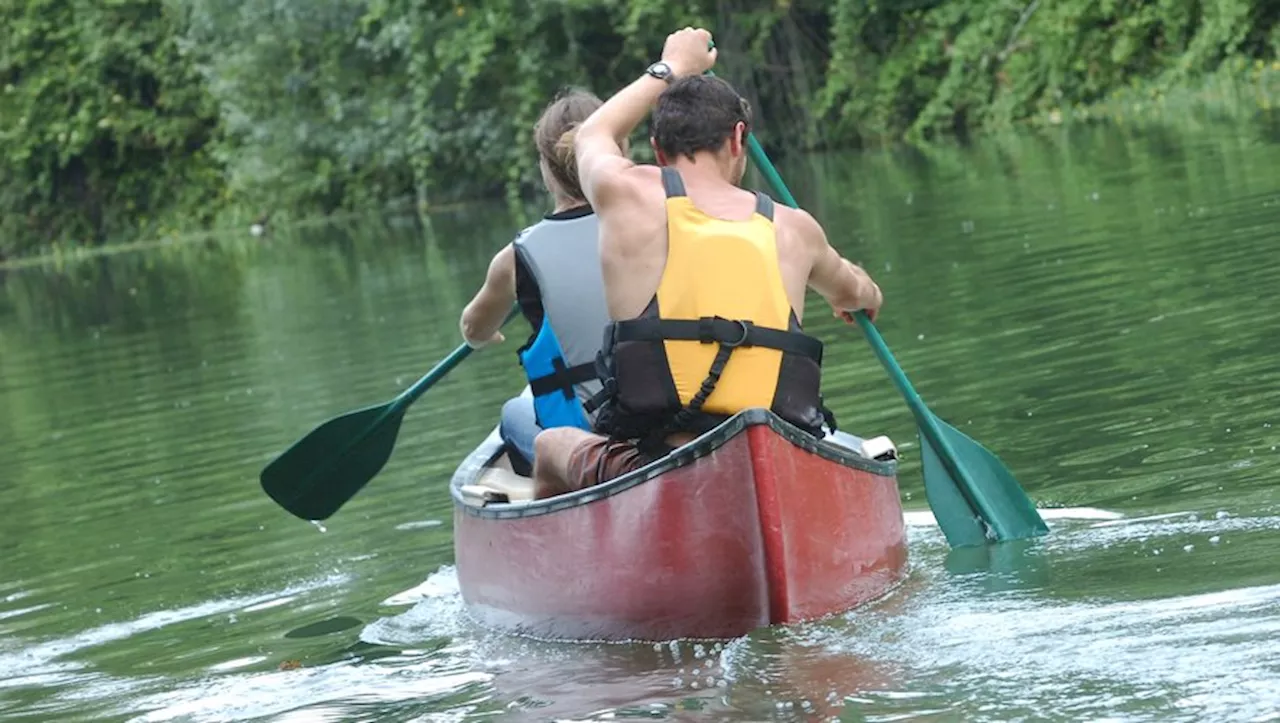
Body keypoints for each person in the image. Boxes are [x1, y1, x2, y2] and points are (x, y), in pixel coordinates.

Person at [531, 27, 884, 497]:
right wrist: (863, 294)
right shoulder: (796, 229)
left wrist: (673, 64)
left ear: (657, 150)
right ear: (739, 138)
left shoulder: (626, 195)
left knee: (549, 446)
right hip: (775, 457)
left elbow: (594, 133)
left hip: (662, 461)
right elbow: (857, 292)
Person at [459, 89, 614, 475]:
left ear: (547, 169)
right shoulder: (653, 218)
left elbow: (473, 329)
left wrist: (485, 336)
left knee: (514, 412)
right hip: (665, 408)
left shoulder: (516, 257)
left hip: (586, 435)